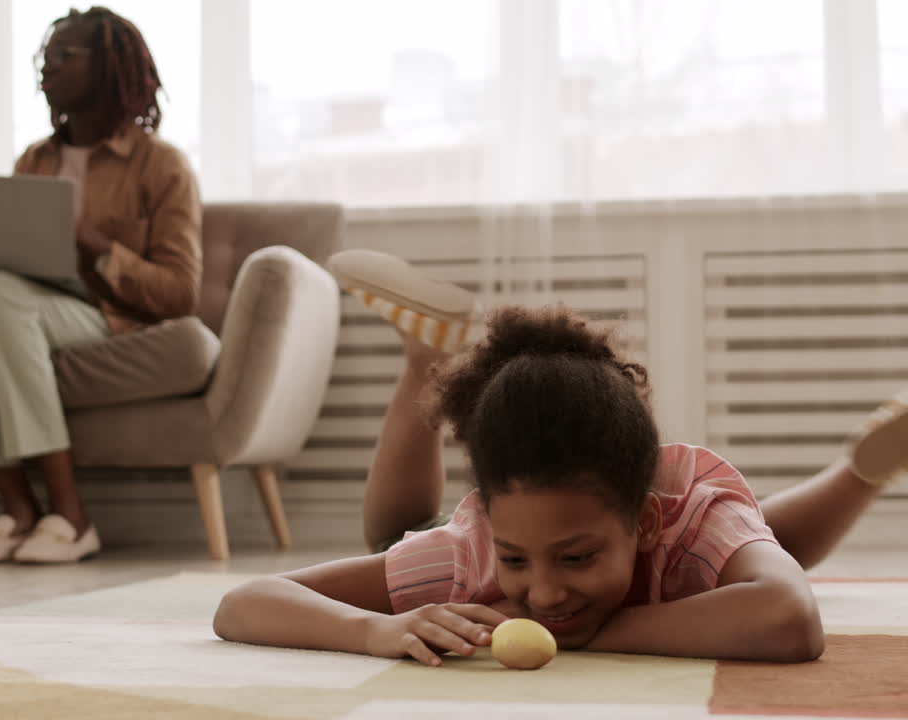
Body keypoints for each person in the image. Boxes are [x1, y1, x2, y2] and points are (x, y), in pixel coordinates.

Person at [213, 249, 908, 664]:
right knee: (397, 535)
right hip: (641, 542)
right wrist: (374, 629)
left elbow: (790, 618)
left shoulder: (685, 520)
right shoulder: (475, 550)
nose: (542, 594)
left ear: (646, 523)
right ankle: (427, 359)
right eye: (516, 559)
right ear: (487, 522)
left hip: (692, 532)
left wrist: (591, 637)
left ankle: (859, 472)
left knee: (747, 543)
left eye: (575, 558)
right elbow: (243, 604)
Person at [0, 7, 201, 564]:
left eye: (63, 57)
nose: (46, 71)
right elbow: (3, 260)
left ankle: (71, 514)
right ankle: (18, 510)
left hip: (107, 316)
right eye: (44, 58)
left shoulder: (162, 167)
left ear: (110, 67)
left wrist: (93, 243)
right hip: (25, 300)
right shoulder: (33, 160)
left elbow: (180, 293)